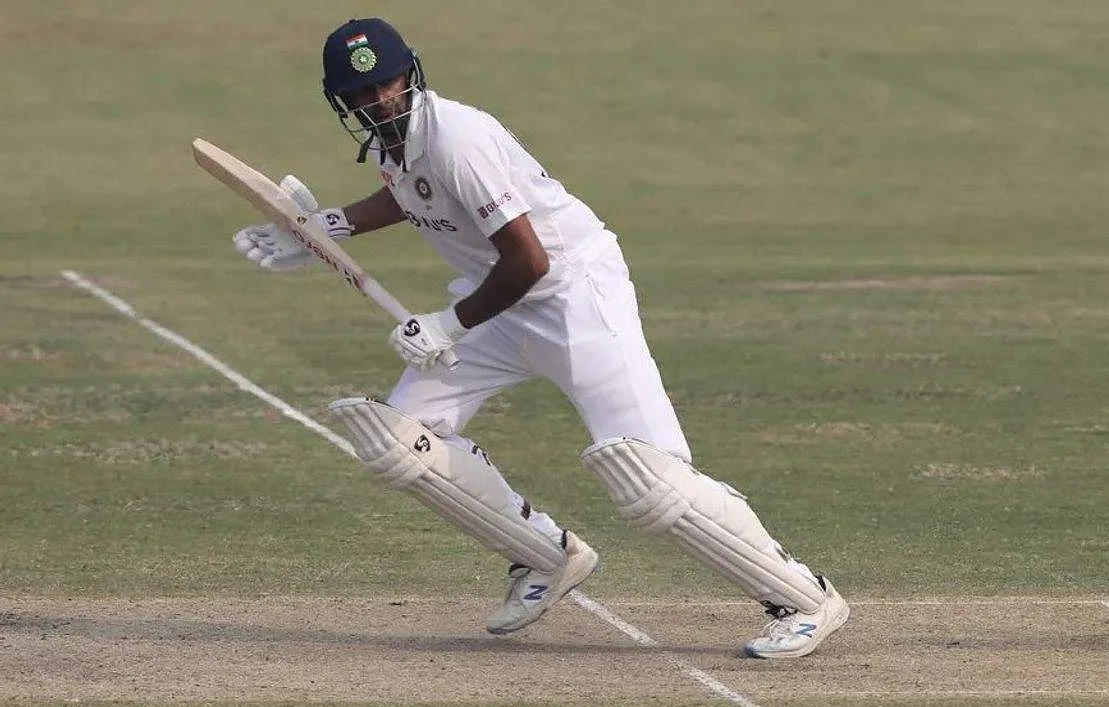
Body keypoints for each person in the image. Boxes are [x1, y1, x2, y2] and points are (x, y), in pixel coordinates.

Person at [232, 17, 849, 659]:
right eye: (361, 95)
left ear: (409, 75)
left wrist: (449, 323)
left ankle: (805, 599)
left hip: (575, 299)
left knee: (653, 481)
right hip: (499, 302)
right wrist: (326, 225)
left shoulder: (457, 139)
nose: (378, 101)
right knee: (398, 444)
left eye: (387, 84)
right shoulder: (395, 142)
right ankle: (545, 556)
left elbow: (530, 261)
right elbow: (409, 195)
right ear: (342, 101)